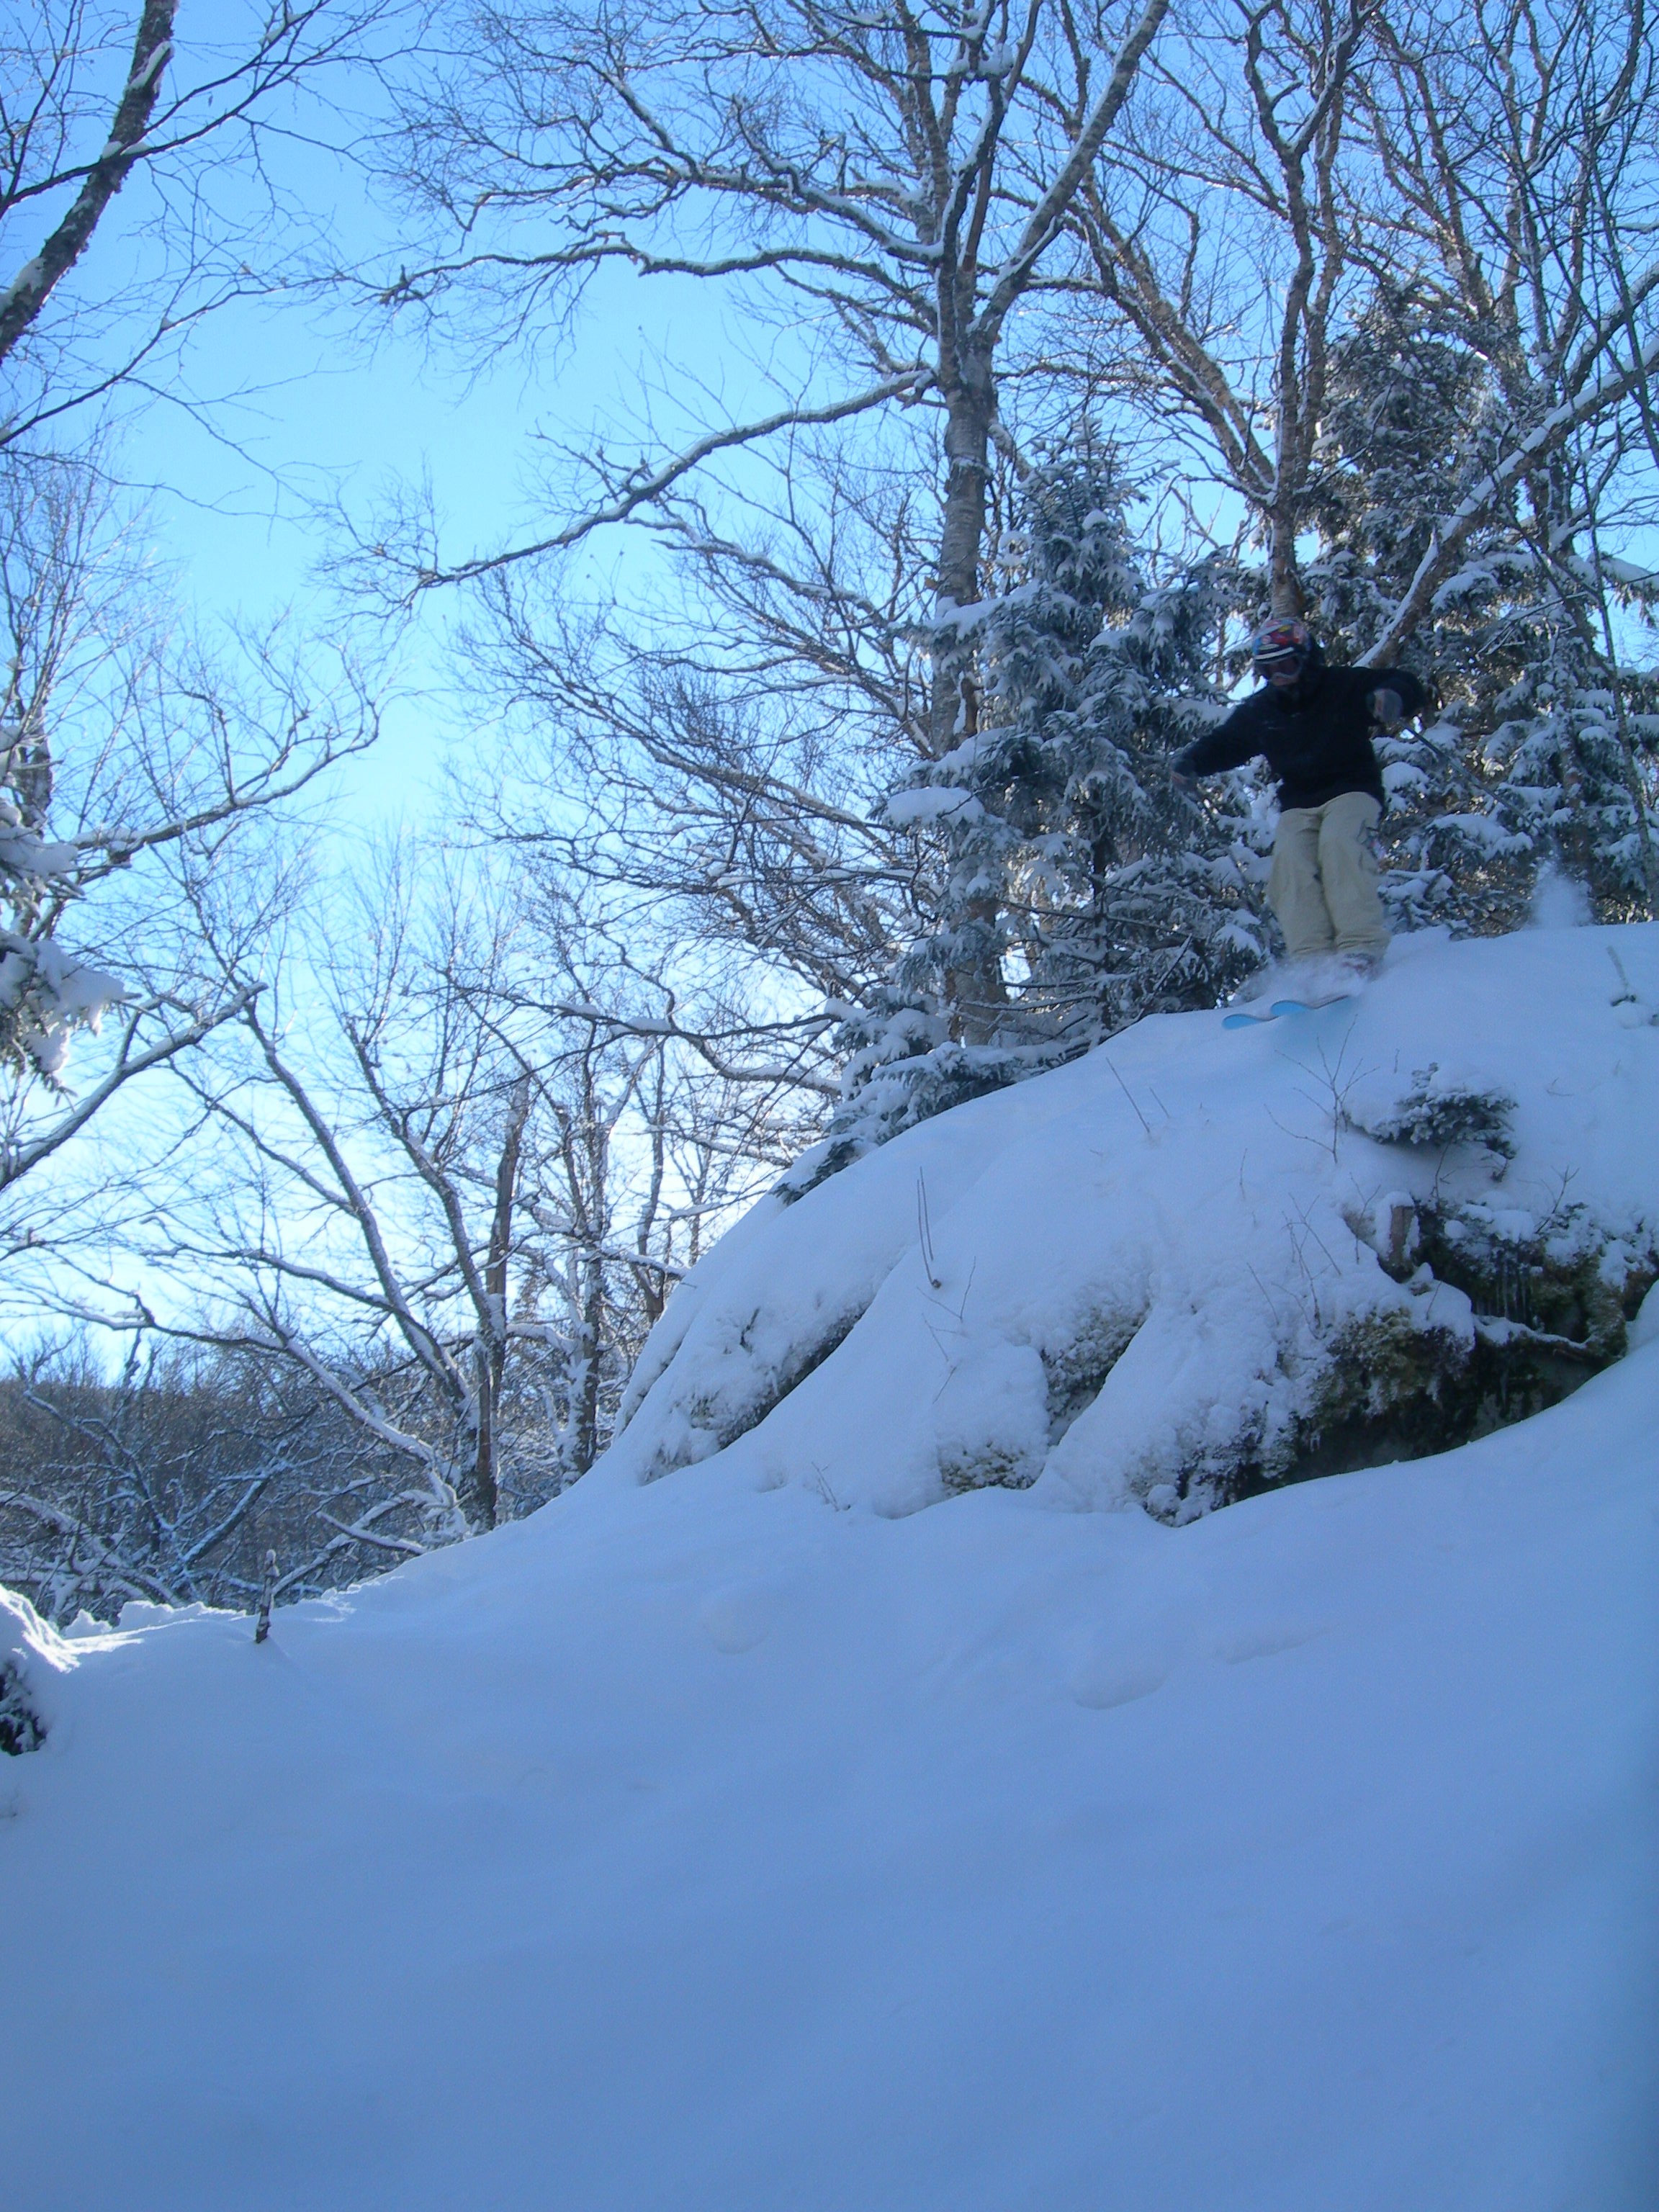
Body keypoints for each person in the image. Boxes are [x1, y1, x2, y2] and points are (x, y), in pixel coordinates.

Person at [1170, 619, 1427, 976]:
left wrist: (1391, 697)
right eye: (1270, 670)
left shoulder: (1341, 685)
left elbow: (1405, 683)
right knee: (1290, 866)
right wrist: (1192, 762)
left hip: (1352, 789)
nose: (1280, 677)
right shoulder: (1263, 711)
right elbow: (1226, 743)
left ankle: (1360, 948)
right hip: (1299, 802)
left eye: (1287, 666)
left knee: (1341, 846)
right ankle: (1312, 961)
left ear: (1306, 659)